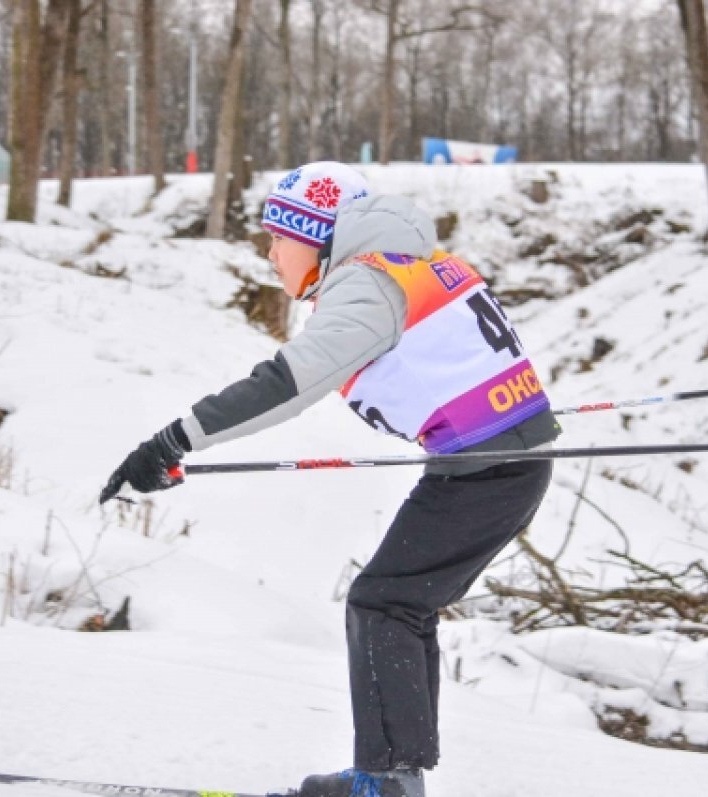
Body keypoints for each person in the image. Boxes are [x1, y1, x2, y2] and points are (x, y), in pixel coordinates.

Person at [100, 162, 560, 797]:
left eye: (277, 239)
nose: (270, 254)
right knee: (400, 602)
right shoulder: (410, 265)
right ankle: (395, 775)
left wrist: (172, 440)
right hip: (499, 462)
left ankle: (388, 781)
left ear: (314, 237)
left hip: (485, 471)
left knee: (383, 602)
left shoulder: (366, 284)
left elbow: (288, 384)